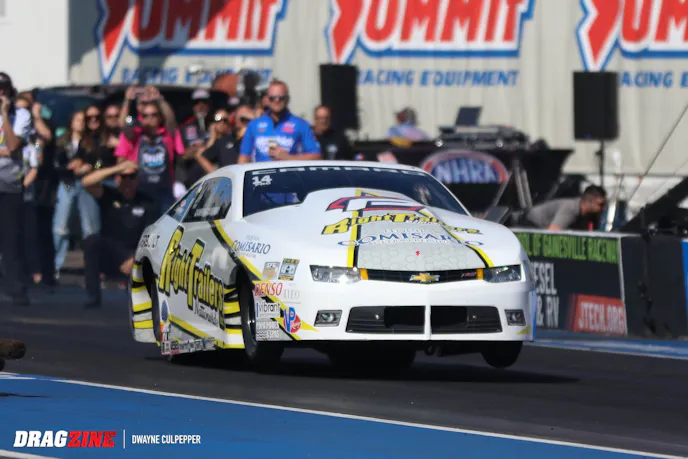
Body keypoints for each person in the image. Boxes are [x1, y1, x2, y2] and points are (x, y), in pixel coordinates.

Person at [81, 160, 157, 308]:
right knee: (92, 241)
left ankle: (140, 297)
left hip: (134, 253)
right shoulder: (109, 195)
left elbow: (152, 235)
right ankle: (93, 296)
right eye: (123, 177)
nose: (127, 181)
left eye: (132, 177)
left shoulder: (148, 202)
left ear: (138, 179)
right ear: (117, 178)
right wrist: (118, 168)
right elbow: (86, 182)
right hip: (110, 253)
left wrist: (135, 258)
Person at [52, 111, 99, 281]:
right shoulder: (62, 142)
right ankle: (55, 266)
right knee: (60, 226)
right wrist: (69, 169)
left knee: (89, 227)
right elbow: (55, 164)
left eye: (83, 120)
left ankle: (92, 267)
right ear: (71, 122)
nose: (80, 123)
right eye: (77, 120)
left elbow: (98, 161)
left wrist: (89, 166)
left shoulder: (91, 142)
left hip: (86, 183)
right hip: (67, 183)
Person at [0, 72, 31, 305]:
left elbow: (12, 146)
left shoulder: (21, 115)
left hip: (10, 184)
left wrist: (4, 115)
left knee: (11, 239)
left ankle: (17, 289)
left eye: (4, 89)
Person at [238, 80, 321, 163]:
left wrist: (288, 158)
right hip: (262, 171)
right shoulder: (254, 124)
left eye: (281, 98)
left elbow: (316, 156)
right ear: (267, 100)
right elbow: (244, 157)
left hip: (289, 171)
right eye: (272, 98)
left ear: (287, 99)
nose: (276, 100)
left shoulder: (301, 124)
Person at [519, 185, 607, 231]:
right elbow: (553, 232)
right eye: (600, 204)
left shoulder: (589, 216)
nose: (603, 208)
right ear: (589, 202)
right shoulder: (571, 209)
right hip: (531, 223)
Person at [175, 89, 214, 189]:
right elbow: (183, 155)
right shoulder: (184, 128)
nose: (201, 106)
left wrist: (196, 149)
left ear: (209, 104)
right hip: (192, 182)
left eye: (204, 102)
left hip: (214, 178)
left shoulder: (217, 125)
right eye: (196, 103)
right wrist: (205, 148)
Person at [193, 108, 241, 176]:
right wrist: (212, 136)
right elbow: (199, 155)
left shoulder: (234, 137)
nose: (222, 123)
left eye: (225, 120)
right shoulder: (209, 141)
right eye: (218, 120)